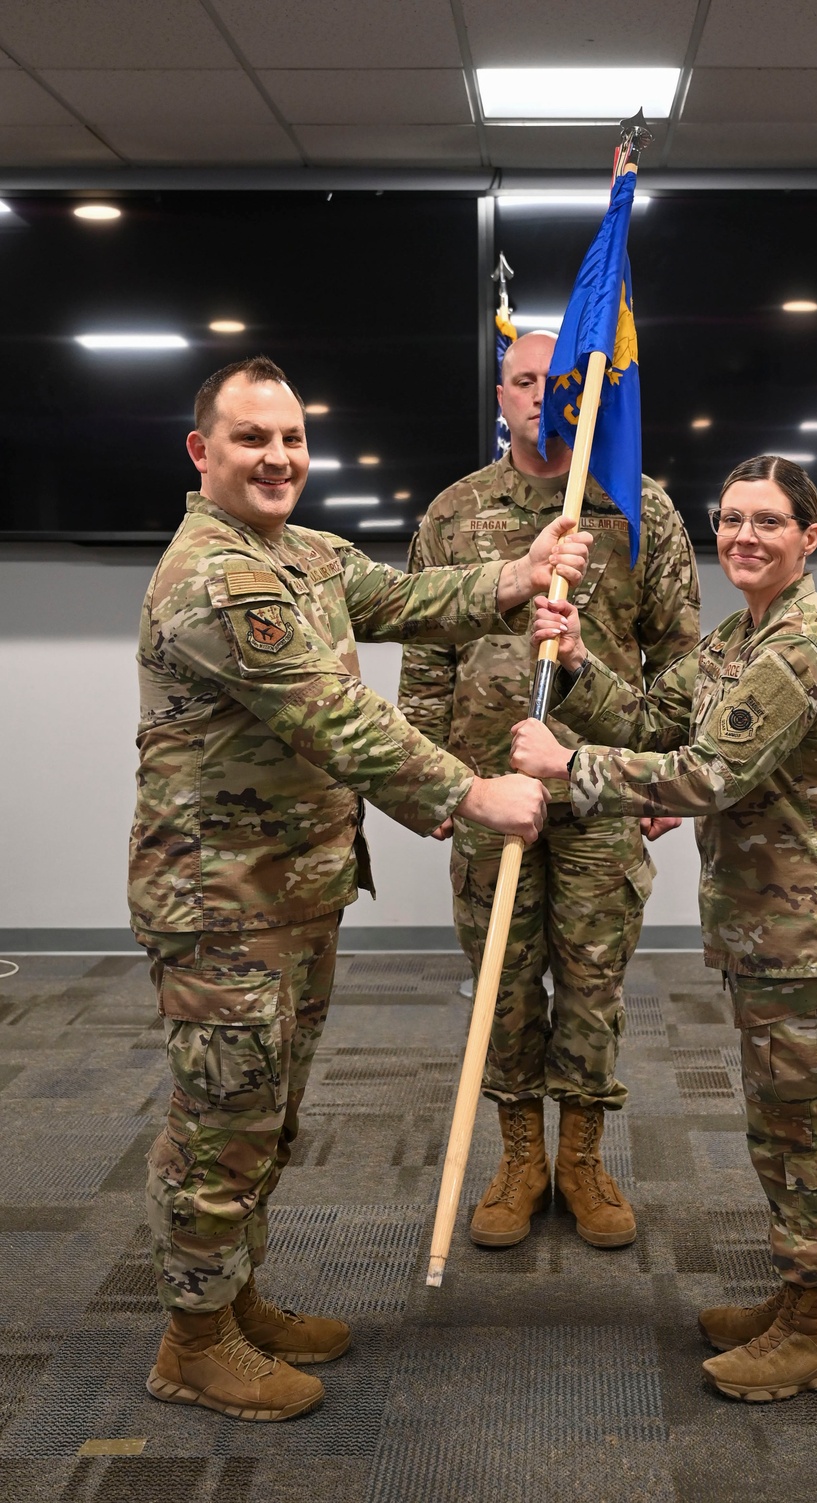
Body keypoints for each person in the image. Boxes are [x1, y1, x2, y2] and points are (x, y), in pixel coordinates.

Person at [129, 355, 593, 1422]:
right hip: (221, 907)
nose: (278, 457)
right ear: (203, 454)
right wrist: (472, 794)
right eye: (251, 439)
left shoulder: (299, 552)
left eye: (291, 438)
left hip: (290, 892)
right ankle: (191, 1342)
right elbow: (339, 721)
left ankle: (231, 1299)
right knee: (222, 1122)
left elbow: (406, 595)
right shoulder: (219, 577)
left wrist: (515, 576)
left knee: (270, 1116)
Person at [510, 455, 817, 1402]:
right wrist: (579, 666)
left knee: (804, 1129)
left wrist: (568, 764)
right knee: (777, 1122)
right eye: (729, 519)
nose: (742, 536)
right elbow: (655, 716)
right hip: (767, 922)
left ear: (810, 537)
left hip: (812, 927)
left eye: (767, 521)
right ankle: (800, 1299)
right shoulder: (740, 634)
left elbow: (710, 774)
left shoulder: (803, 643)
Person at [398, 332, 700, 1252]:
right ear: (502, 392)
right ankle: (519, 1155)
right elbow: (423, 662)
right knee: (504, 990)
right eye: (525, 381)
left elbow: (682, 658)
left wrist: (674, 774)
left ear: (585, 392)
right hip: (491, 795)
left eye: (558, 381)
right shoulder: (455, 515)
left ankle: (583, 1155)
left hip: (602, 789)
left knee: (594, 984)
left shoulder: (637, 507)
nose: (540, 395)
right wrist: (436, 785)